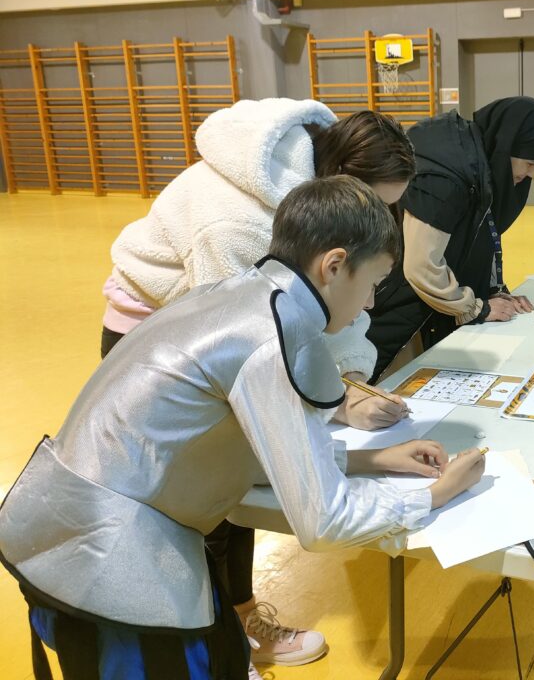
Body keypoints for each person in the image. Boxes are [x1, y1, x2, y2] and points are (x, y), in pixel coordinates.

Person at [0, 176, 486, 678]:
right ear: (335, 265)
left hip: (63, 527)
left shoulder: (239, 295)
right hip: (114, 566)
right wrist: (435, 494)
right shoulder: (275, 337)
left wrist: (371, 458)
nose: (369, 304)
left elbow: (242, 451)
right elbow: (325, 522)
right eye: (373, 283)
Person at [98, 100, 417, 670]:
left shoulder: (314, 212)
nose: (381, 219)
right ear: (342, 187)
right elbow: (251, 337)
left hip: (215, 339)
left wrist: (348, 386)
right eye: (376, 204)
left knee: (233, 482)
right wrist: (340, 402)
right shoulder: (236, 226)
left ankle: (236, 622)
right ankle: (222, 638)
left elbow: (319, 308)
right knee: (204, 499)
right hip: (153, 330)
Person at [367, 97, 534, 381]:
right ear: (506, 145)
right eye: (529, 163)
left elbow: (481, 232)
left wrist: (492, 290)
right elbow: (421, 265)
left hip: (430, 305)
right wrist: (475, 308)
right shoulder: (448, 175)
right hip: (400, 307)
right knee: (389, 383)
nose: (530, 174)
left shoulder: (481, 162)